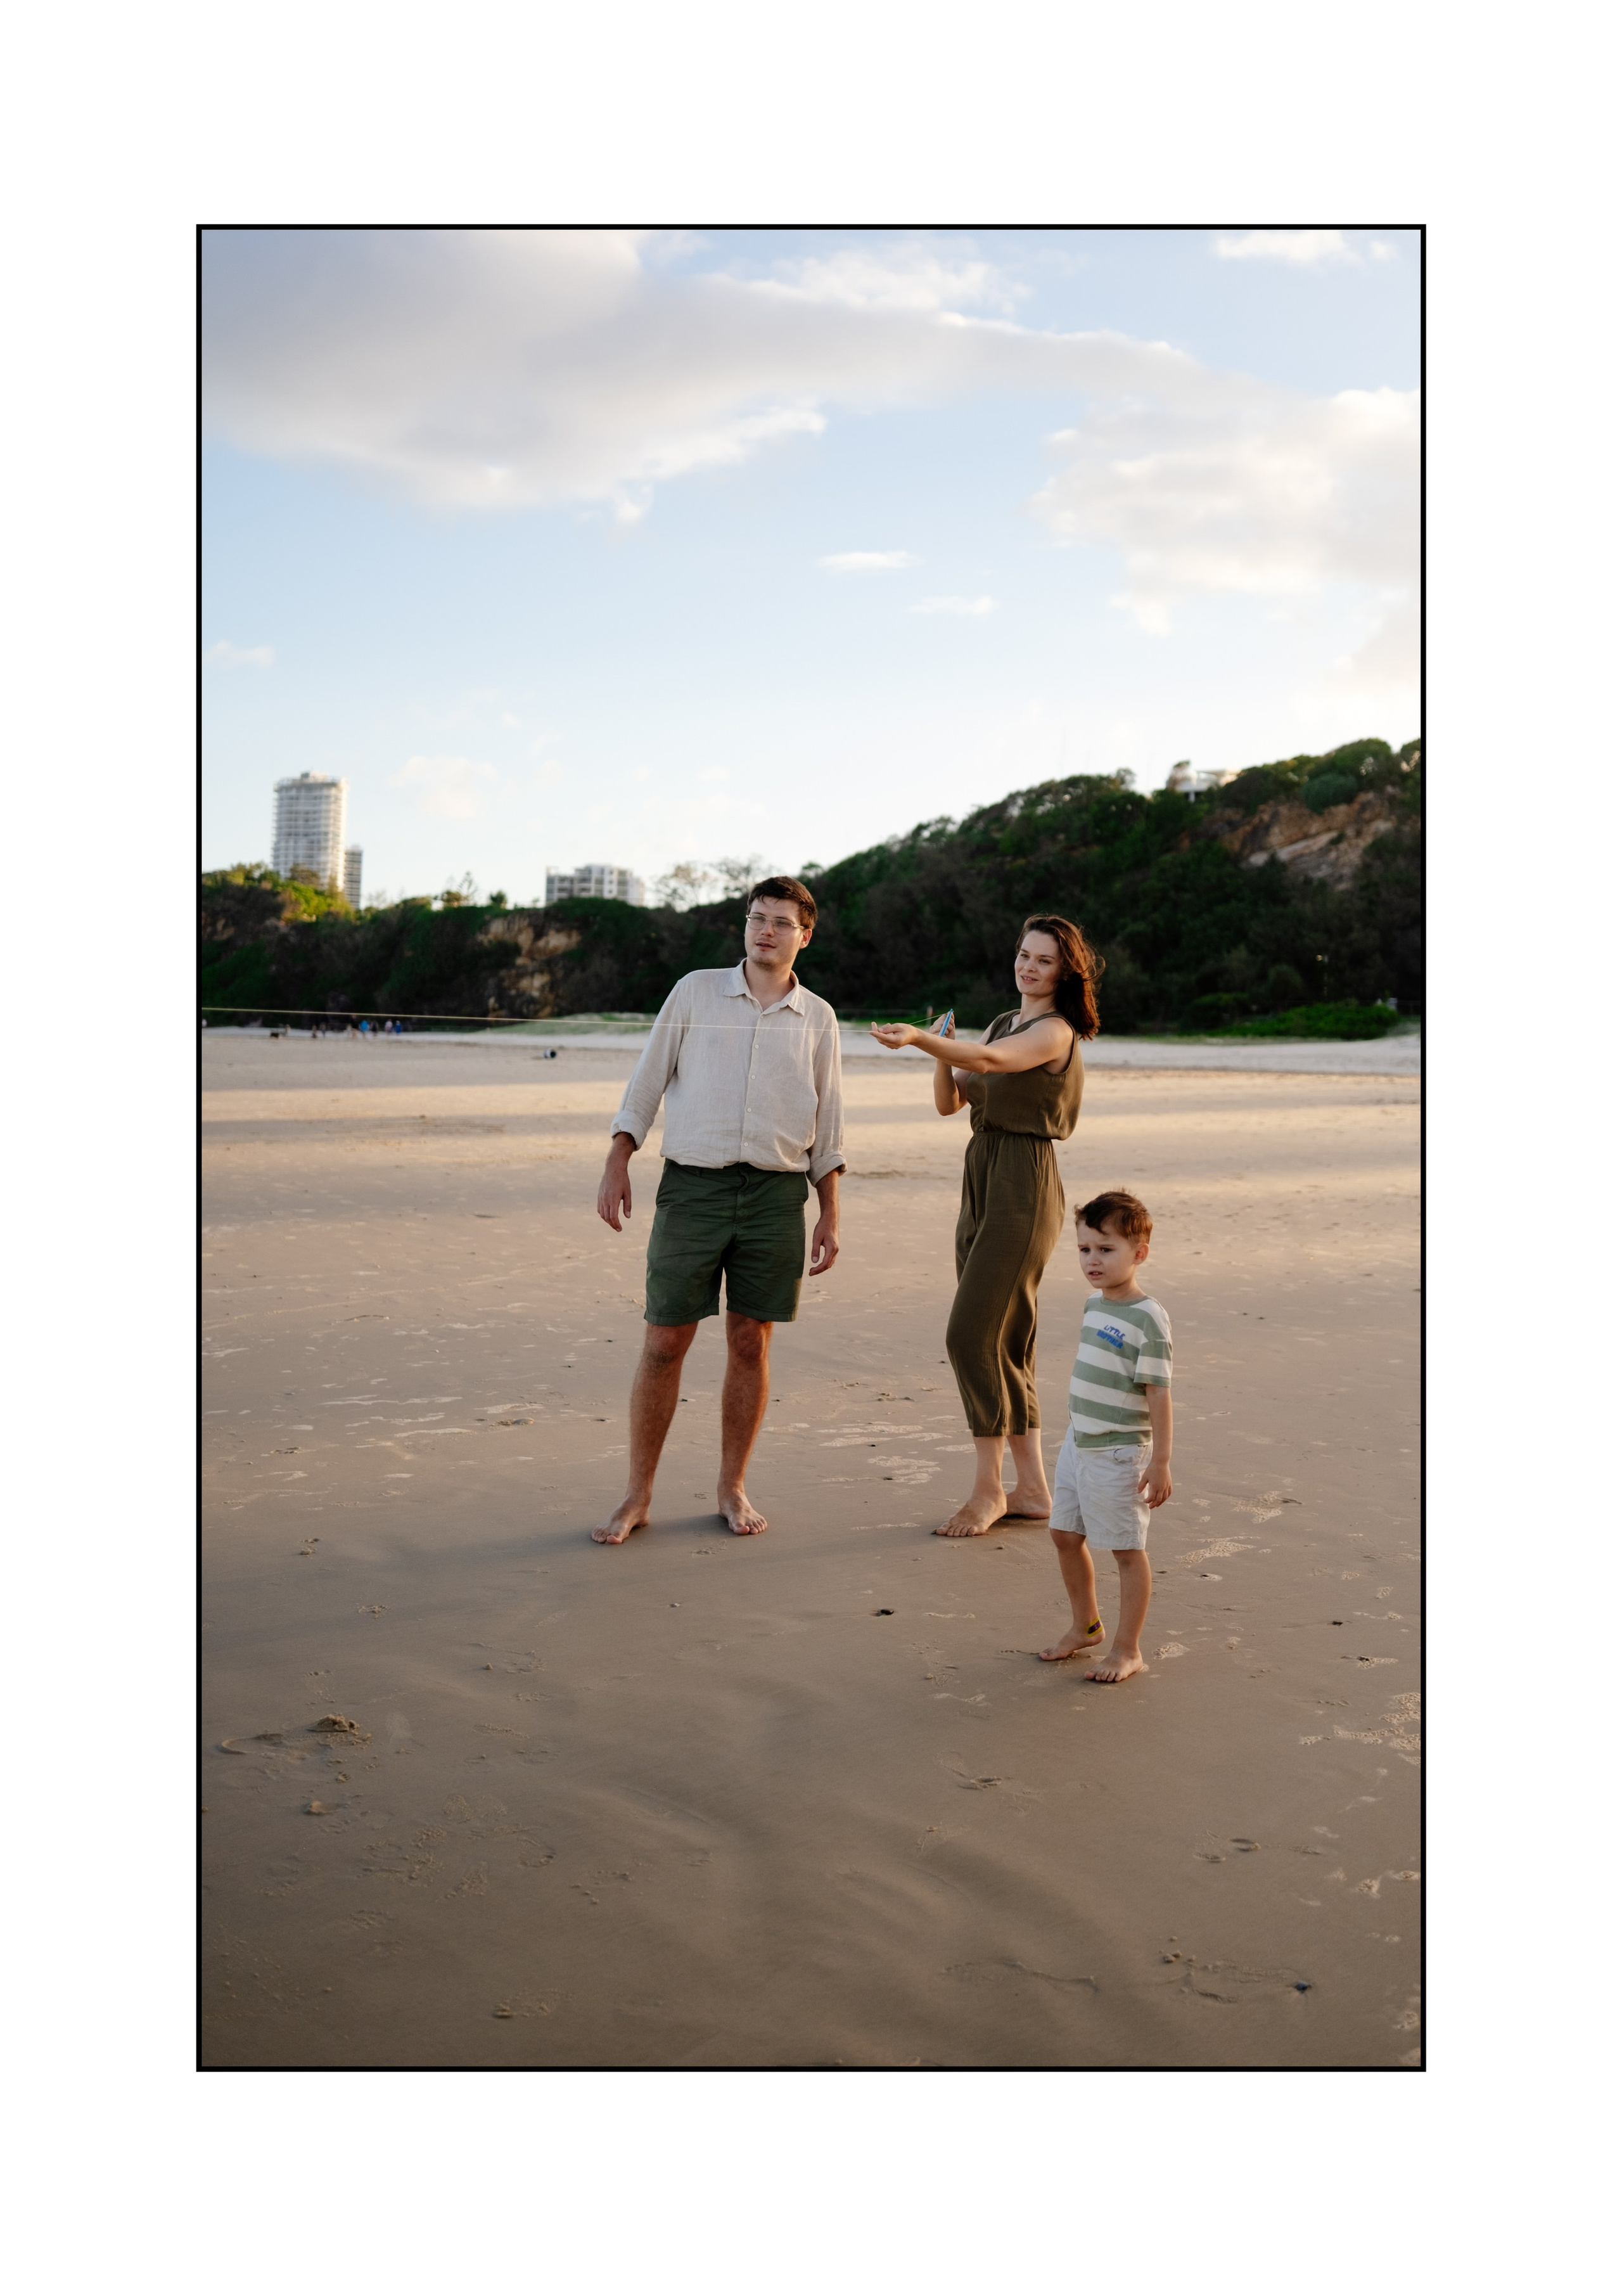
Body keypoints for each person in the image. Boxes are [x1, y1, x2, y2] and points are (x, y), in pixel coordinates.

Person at [592, 877, 845, 1544]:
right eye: (756, 918)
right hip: (692, 1188)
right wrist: (619, 1156)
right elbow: (647, 1078)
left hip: (775, 1194)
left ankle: (732, 1485)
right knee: (664, 1338)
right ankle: (637, 1492)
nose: (765, 929)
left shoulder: (818, 1017)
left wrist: (830, 1211)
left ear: (804, 934)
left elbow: (829, 1121)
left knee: (749, 1342)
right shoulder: (695, 990)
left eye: (781, 922)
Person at [870, 915, 1098, 1537]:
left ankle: (988, 1489)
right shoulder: (1004, 1020)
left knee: (970, 1336)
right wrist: (940, 1050)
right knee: (1005, 1338)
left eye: (1043, 960)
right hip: (982, 1174)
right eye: (1023, 954)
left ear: (1064, 971)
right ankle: (1032, 1489)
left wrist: (922, 1038)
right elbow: (954, 1100)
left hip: (1025, 1181)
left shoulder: (1054, 1031)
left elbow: (993, 1060)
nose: (1027, 966)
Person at [1037, 1190, 1173, 1684]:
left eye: (1106, 1249)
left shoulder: (1148, 1318)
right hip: (1079, 1441)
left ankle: (1127, 1647)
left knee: (1125, 1549)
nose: (1092, 1260)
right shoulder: (1094, 1304)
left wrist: (1160, 1461)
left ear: (1139, 1253)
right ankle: (1085, 1625)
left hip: (1118, 1452)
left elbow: (1158, 1393)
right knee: (1064, 1534)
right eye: (1085, 1249)